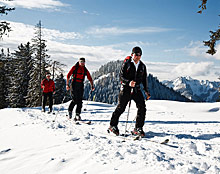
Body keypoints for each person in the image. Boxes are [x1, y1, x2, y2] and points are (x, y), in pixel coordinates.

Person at [108, 46, 150, 137]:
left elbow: (144, 79)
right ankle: (112, 125)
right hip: (126, 89)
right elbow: (121, 76)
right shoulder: (127, 63)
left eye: (139, 55)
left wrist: (146, 91)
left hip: (136, 89)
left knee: (142, 107)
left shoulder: (142, 66)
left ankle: (138, 128)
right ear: (132, 54)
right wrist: (128, 82)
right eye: (136, 54)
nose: (138, 56)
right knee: (121, 108)